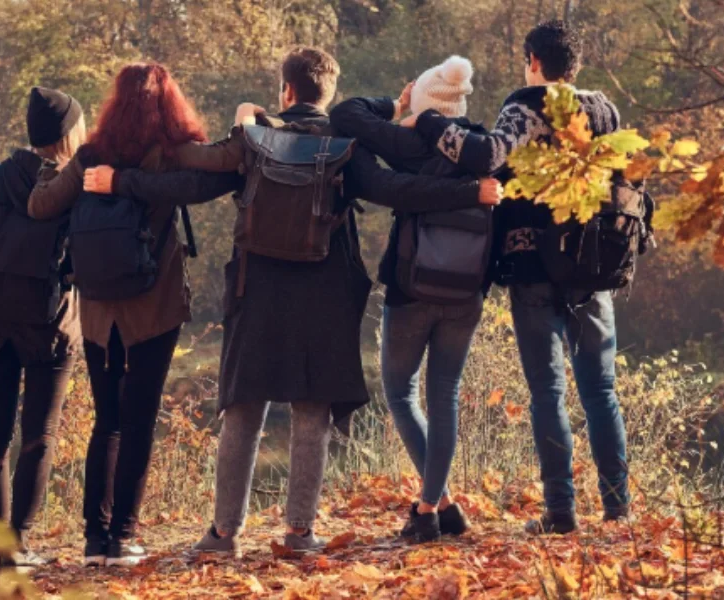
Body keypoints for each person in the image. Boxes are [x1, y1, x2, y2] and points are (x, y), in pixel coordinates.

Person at [82, 47, 502, 556]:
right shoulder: (346, 146)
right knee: (311, 412)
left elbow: (190, 183)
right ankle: (300, 533)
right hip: (322, 294)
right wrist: (468, 192)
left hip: (256, 290)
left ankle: (222, 533)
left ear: (286, 91)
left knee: (243, 409)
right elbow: (401, 190)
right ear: (326, 93)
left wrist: (124, 176)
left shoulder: (257, 141)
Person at [406, 20, 630, 534]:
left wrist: (426, 122)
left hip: (534, 265)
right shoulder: (604, 110)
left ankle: (560, 513)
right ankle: (618, 509)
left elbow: (487, 156)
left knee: (548, 392)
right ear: (575, 65)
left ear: (532, 59)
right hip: (593, 268)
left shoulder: (526, 105)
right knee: (601, 391)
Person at [26, 63, 240, 567]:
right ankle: (122, 537)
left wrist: (74, 171)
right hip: (154, 307)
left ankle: (95, 541)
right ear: (169, 104)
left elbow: (40, 208)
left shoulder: (89, 157)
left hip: (99, 310)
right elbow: (223, 174)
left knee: (108, 422)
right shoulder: (171, 155)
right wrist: (245, 126)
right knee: (138, 420)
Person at [330, 55, 499, 542]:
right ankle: (437, 503)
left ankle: (430, 508)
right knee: (442, 394)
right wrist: (469, 193)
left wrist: (397, 104)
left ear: (427, 106)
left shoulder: (411, 143)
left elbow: (345, 114)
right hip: (466, 292)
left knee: (401, 394)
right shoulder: (485, 151)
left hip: (410, 289)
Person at [0, 87, 85, 571]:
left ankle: (2, 551)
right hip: (49, 326)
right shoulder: (70, 184)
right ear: (68, 134)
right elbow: (82, 253)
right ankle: (20, 543)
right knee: (39, 435)